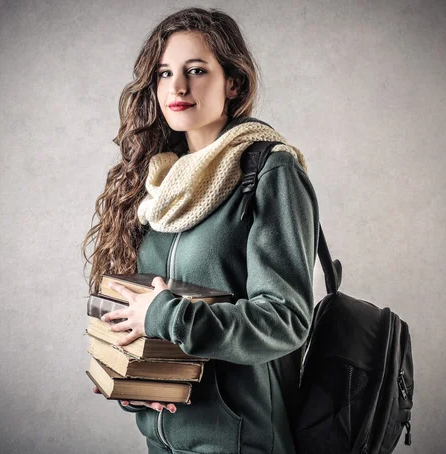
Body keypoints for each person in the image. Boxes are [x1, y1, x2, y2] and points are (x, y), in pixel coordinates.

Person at [82, 7, 320, 454]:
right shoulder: (158, 184)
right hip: (164, 443)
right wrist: (131, 381)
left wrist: (166, 315)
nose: (177, 87)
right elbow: (146, 321)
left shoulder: (269, 169)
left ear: (234, 82)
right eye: (164, 73)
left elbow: (285, 321)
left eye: (196, 70)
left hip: (242, 441)